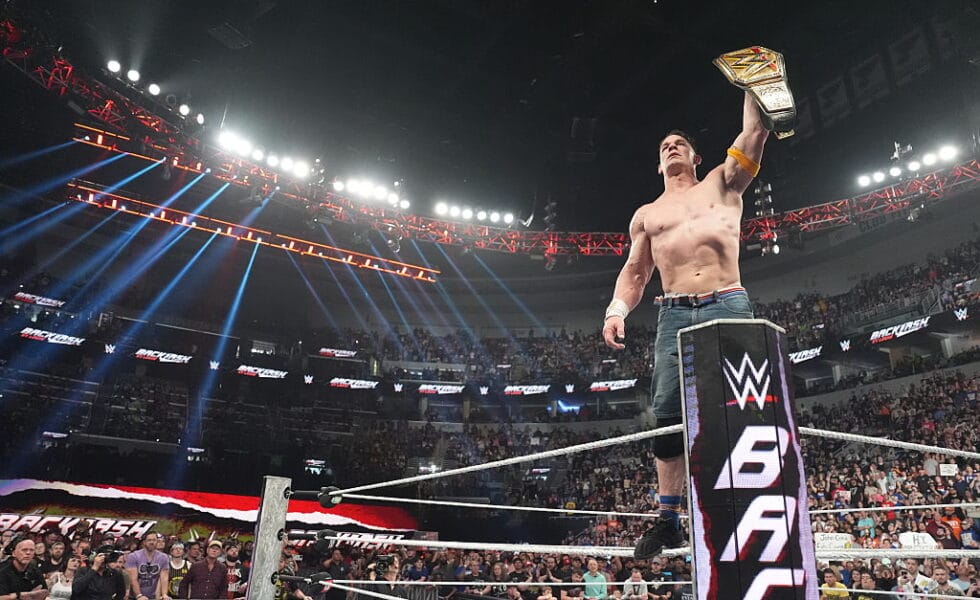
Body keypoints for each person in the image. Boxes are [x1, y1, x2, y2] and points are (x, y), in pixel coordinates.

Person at [603, 91, 770, 559]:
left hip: (727, 300)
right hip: (673, 311)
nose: (671, 147)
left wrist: (751, 86)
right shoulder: (646, 215)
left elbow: (754, 133)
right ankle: (668, 521)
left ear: (696, 157)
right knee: (666, 413)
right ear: (658, 165)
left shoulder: (722, 181)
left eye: (679, 143)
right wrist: (616, 310)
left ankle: (752, 501)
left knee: (744, 404)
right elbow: (636, 273)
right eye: (664, 147)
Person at [124, 533, 169, 600]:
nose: (152, 542)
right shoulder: (133, 556)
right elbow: (133, 579)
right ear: (144, 542)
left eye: (154, 540)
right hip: (135, 597)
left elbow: (164, 578)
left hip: (154, 596)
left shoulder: (163, 557)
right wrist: (139, 595)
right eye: (149, 540)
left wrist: (164, 594)